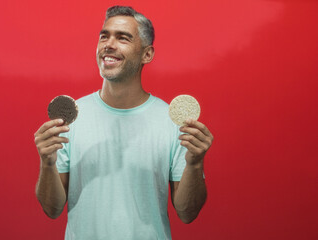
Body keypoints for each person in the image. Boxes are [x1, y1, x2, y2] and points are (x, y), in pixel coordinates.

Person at [34, 6, 213, 240]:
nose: (108, 44)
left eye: (123, 38)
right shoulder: (70, 120)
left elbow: (187, 213)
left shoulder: (173, 122)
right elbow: (52, 209)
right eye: (104, 36)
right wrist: (46, 163)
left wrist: (196, 164)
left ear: (147, 55)